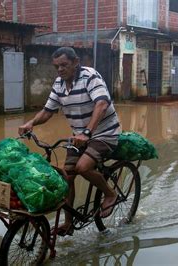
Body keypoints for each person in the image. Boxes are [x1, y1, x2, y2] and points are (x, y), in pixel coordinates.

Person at [18, 47, 121, 235]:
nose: (60, 70)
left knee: (82, 168)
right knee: (66, 178)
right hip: (78, 137)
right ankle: (69, 222)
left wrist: (87, 133)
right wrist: (31, 123)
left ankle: (110, 193)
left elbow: (102, 104)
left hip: (105, 134)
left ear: (75, 62)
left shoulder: (90, 76)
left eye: (64, 65)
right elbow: (48, 111)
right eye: (56, 66)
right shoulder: (59, 84)